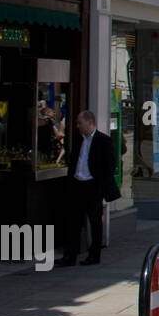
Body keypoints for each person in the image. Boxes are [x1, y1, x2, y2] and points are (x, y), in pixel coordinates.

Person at [61, 110, 118, 266]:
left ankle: (94, 255)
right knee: (73, 221)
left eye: (80, 123)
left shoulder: (103, 140)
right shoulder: (78, 140)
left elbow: (111, 165)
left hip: (93, 186)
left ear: (90, 122)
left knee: (94, 222)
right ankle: (70, 256)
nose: (77, 126)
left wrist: (100, 184)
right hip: (78, 184)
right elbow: (74, 161)